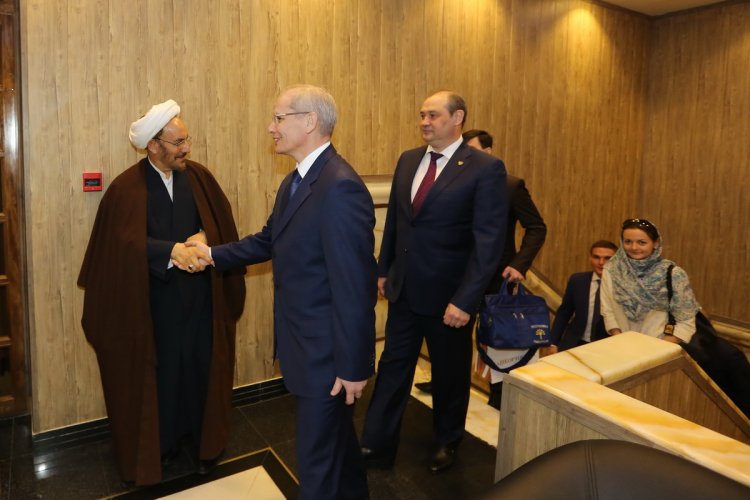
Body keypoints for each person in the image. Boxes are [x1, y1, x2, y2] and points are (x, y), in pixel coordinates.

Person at [185, 85, 376, 499]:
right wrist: (212, 254)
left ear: (310, 121)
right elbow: (268, 240)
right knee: (338, 446)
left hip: (327, 355)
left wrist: (354, 365)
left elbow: (355, 285)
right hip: (305, 345)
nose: (271, 127)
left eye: (278, 118)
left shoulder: (339, 187)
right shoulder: (296, 180)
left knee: (316, 465)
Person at [77, 100, 246, 485]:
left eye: (187, 140)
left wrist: (204, 238)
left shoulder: (200, 178)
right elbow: (118, 248)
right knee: (163, 376)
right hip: (152, 306)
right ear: (153, 146)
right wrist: (169, 251)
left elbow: (221, 226)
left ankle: (203, 446)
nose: (186, 148)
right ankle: (162, 446)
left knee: (200, 370)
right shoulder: (125, 189)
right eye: (178, 142)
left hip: (201, 301)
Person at [360, 92, 508, 474]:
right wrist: (384, 269)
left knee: (449, 375)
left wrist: (466, 300)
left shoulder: (485, 168)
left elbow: (488, 243)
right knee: (392, 367)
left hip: (449, 300)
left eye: (434, 115)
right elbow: (397, 222)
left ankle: (447, 441)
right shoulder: (409, 159)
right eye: (422, 115)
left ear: (458, 117)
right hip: (405, 290)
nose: (425, 122)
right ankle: (376, 443)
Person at [415, 128, 547, 410]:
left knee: (497, 335)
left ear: (488, 152)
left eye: (472, 151)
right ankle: (442, 382)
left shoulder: (511, 186)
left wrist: (519, 264)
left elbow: (537, 227)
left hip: (495, 276)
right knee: (449, 336)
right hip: (456, 275)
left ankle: (499, 393)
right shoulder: (451, 183)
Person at [600, 218, 698, 343]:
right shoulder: (612, 270)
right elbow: (607, 311)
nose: (634, 247)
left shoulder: (673, 274)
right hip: (621, 344)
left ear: (655, 243)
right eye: (628, 242)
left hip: (661, 347)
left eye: (642, 242)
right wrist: (619, 339)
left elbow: (686, 321)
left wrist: (657, 349)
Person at [549, 240, 618, 351]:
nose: (601, 262)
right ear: (590, 258)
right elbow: (564, 313)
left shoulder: (623, 286)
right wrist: (553, 343)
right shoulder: (577, 280)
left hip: (607, 347)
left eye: (607, 258)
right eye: (596, 257)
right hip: (574, 344)